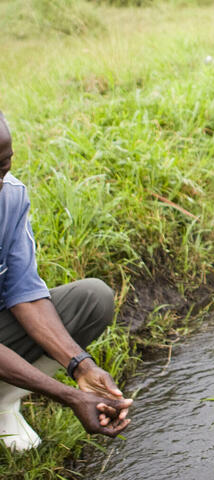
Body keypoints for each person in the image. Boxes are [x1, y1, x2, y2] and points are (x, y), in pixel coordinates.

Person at [0, 111, 132, 451]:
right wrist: (69, 396)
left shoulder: (10, 196)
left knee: (92, 299)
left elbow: (23, 291)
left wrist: (81, 367)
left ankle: (3, 403)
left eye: (2, 169)